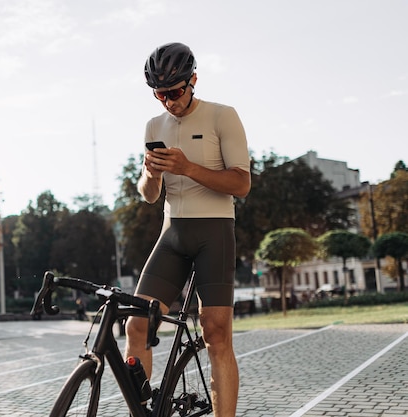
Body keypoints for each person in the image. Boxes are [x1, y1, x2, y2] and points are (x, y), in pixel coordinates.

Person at [124, 42, 251, 417]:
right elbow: (149, 196)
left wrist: (187, 167)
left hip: (215, 233)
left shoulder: (222, 116)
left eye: (175, 92)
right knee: (136, 326)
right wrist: (151, 173)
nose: (168, 101)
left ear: (193, 81)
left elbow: (241, 184)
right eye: (160, 94)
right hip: (172, 233)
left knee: (215, 334)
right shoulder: (154, 125)